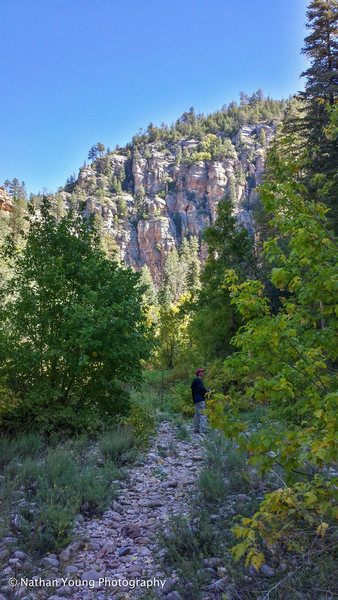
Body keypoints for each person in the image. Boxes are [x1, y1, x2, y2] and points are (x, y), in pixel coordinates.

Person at [191, 368, 208, 434]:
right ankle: (202, 430)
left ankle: (196, 429)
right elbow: (202, 389)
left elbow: (198, 390)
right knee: (203, 414)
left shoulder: (196, 381)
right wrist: (207, 392)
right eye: (202, 372)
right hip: (200, 400)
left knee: (197, 415)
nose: (203, 372)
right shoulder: (198, 380)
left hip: (196, 400)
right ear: (199, 374)